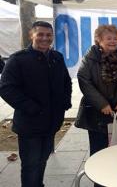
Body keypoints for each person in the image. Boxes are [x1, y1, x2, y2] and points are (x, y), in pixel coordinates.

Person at [0, 21, 72, 187]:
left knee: (42, 160)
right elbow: (6, 89)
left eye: (48, 35)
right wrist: (31, 108)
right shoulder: (18, 60)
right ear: (31, 35)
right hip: (29, 124)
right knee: (31, 165)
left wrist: (65, 103)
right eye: (40, 34)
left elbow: (66, 82)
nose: (45, 38)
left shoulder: (57, 57)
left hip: (52, 122)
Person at [75, 24, 117, 187]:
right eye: (109, 38)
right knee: (99, 152)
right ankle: (99, 183)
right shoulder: (90, 58)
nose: (113, 41)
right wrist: (101, 104)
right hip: (97, 113)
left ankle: (114, 181)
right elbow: (84, 80)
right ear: (98, 40)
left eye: (115, 38)